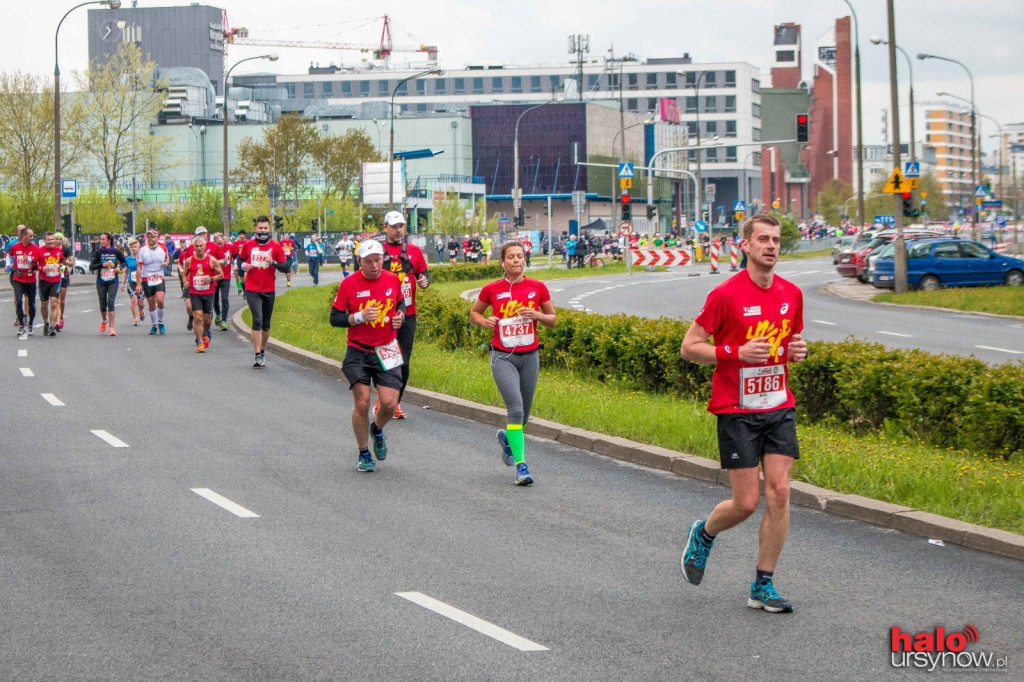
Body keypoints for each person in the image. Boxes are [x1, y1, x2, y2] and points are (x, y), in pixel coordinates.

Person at [678, 213, 808, 614]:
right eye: (763, 239)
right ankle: (704, 533)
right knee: (747, 502)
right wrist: (733, 352)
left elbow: (789, 344)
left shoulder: (792, 293)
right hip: (737, 409)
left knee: (781, 492)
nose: (771, 245)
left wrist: (796, 353)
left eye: (776, 240)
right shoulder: (726, 295)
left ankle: (762, 585)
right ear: (746, 246)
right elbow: (689, 346)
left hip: (778, 404)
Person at [470, 241, 557, 485]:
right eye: (511, 257)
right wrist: (484, 321)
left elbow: (553, 320)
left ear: (524, 260)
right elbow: (474, 313)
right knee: (515, 409)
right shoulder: (492, 289)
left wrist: (538, 315)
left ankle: (507, 438)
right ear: (502, 262)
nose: (516, 260)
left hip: (530, 356)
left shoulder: (537, 287)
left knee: (524, 416)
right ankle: (522, 467)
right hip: (502, 356)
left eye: (520, 256)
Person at [329, 240, 405, 473]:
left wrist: (399, 316)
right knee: (362, 402)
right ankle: (363, 452)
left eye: (378, 260)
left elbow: (399, 302)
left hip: (387, 348)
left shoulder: (392, 279)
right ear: (359, 262)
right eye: (369, 261)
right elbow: (335, 318)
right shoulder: (348, 284)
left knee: (390, 403)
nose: (374, 265)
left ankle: (377, 429)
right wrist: (358, 317)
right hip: (358, 349)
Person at [376, 211, 430, 420]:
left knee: (403, 362)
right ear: (386, 227)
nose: (398, 230)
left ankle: (395, 402)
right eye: (394, 226)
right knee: (384, 359)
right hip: (383, 315)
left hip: (408, 313)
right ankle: (382, 400)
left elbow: (423, 275)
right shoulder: (378, 251)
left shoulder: (414, 251)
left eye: (401, 226)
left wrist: (424, 281)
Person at [238, 215, 290, 367]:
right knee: (257, 319)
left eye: (265, 228)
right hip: (252, 288)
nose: (262, 230)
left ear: (269, 229)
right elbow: (240, 260)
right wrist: (243, 267)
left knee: (266, 324)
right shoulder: (248, 245)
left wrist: (272, 262)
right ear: (255, 229)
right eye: (260, 228)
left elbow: (285, 267)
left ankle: (263, 349)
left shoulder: (275, 246)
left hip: (268, 289)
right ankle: (257, 354)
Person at [182, 236, 224, 353]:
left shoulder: (212, 260)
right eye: (197, 246)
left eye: (201, 246)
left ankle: (205, 334)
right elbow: (184, 273)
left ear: (205, 247)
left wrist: (211, 279)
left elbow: (221, 275)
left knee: (207, 320)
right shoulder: (189, 260)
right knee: (197, 317)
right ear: (193, 247)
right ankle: (200, 342)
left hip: (208, 292)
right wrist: (185, 281)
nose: (199, 248)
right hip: (195, 292)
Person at [89, 231, 127, 336]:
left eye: (103, 239)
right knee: (102, 304)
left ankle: (111, 327)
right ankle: (104, 320)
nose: (101, 241)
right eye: (100, 239)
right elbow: (91, 267)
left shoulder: (115, 252)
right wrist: (102, 264)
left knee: (110, 302)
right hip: (101, 281)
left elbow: (124, 262)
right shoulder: (98, 252)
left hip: (112, 281)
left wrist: (119, 268)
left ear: (109, 240)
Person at [135, 229, 169, 335]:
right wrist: (139, 284)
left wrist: (166, 263)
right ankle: (154, 325)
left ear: (157, 238)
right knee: (151, 303)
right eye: (148, 237)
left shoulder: (163, 248)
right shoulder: (142, 250)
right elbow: (139, 267)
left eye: (152, 237)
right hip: (147, 278)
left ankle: (161, 322)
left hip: (159, 277)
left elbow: (167, 259)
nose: (150, 239)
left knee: (160, 300)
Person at [8, 227, 39, 336]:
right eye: (30, 236)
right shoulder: (15, 247)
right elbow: (9, 254)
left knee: (31, 303)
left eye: (32, 236)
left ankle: (30, 324)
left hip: (30, 278)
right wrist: (8, 265)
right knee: (19, 301)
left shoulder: (35, 248)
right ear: (24, 236)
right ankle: (21, 325)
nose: (32, 238)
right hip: (18, 278)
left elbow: (37, 263)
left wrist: (29, 260)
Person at [211, 232, 234, 330]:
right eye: (218, 243)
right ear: (215, 242)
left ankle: (224, 320)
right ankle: (218, 313)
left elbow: (237, 255)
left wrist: (236, 263)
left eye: (222, 242)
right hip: (216, 277)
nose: (220, 245)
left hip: (226, 276)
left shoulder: (230, 247)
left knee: (224, 299)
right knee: (215, 300)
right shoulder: (212, 250)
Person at [54, 232, 73, 331]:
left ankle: (60, 317)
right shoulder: (51, 249)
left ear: (62, 240)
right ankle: (56, 321)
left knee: (61, 300)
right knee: (55, 300)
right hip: (53, 276)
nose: (57, 241)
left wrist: (64, 262)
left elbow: (72, 263)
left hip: (63, 275)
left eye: (59, 239)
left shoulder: (65, 250)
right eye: (55, 239)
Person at [122, 238, 142, 326]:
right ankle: (136, 318)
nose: (134, 249)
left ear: (139, 247)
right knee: (134, 300)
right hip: (131, 282)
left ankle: (141, 311)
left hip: (141, 282)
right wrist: (122, 283)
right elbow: (125, 271)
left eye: (135, 247)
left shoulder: (142, 258)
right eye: (132, 247)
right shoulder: (128, 259)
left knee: (141, 303)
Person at [233, 229, 248, 295]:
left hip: (246, 260)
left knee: (246, 276)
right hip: (239, 260)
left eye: (243, 234)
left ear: (245, 235)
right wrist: (235, 262)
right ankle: (242, 289)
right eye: (240, 234)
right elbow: (234, 254)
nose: (242, 236)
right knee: (240, 277)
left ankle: (246, 291)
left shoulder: (248, 242)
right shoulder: (236, 243)